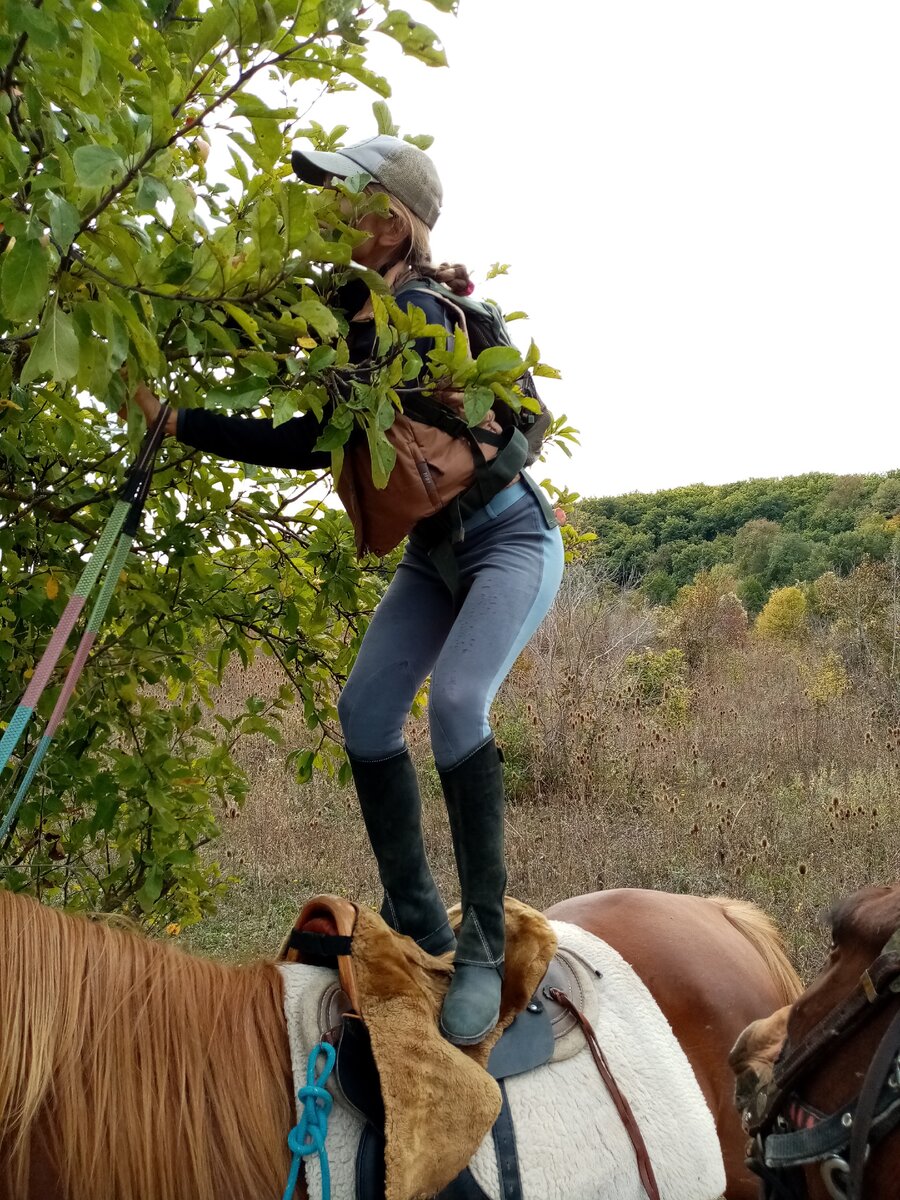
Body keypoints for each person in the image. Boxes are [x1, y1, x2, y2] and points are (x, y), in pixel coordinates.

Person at [130, 136, 565, 1044]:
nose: (329, 213)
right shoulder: (362, 309)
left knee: (455, 703)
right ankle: (421, 923)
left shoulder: (414, 313)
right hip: (432, 555)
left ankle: (483, 946)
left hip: (510, 536)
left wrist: (186, 421)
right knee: (367, 710)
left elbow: (311, 435)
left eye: (345, 196)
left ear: (392, 216)